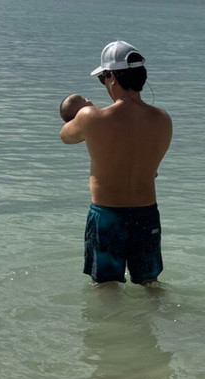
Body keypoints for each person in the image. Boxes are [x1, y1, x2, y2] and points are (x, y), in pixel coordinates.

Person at [60, 40, 173, 285]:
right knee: (151, 285)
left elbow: (66, 136)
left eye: (103, 79)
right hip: (146, 214)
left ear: (112, 78)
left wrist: (84, 111)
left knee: (105, 288)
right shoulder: (163, 120)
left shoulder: (92, 117)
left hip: (107, 215)